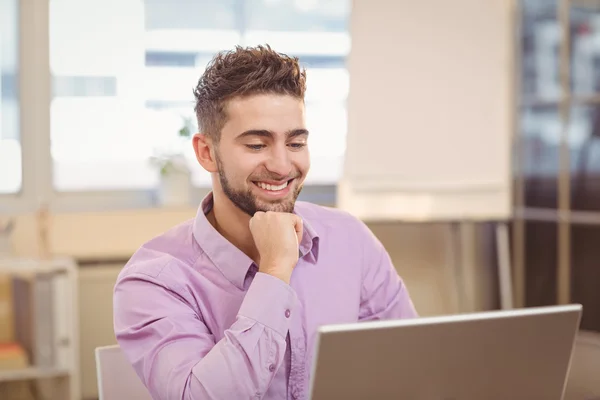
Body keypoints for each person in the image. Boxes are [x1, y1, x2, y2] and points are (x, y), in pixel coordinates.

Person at [113, 44, 418, 400]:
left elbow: (409, 368)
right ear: (207, 152)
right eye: (257, 145)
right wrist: (274, 272)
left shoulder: (351, 241)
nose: (281, 165)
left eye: (295, 142)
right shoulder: (154, 280)